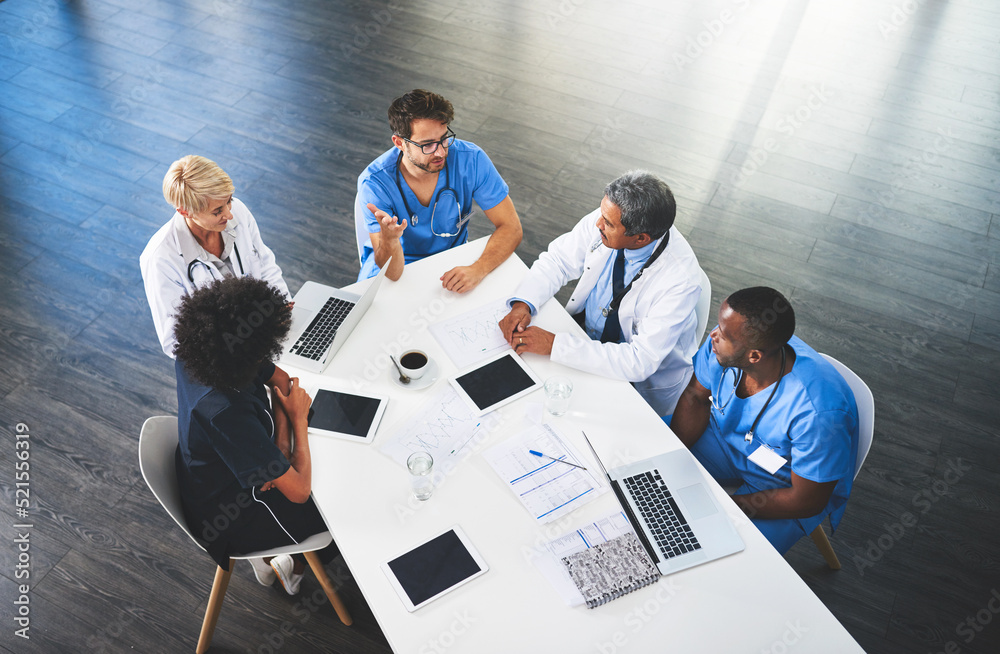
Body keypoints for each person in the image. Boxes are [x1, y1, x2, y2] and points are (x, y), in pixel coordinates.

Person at [172, 276, 334, 594]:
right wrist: (295, 421)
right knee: (339, 512)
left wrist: (279, 448)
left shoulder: (203, 351)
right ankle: (292, 565)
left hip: (219, 470)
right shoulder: (223, 410)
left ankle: (284, 552)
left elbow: (281, 380)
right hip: (232, 516)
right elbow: (299, 491)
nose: (267, 357)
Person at [670, 287, 859, 554]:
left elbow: (805, 500)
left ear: (754, 356)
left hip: (784, 485)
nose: (712, 335)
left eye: (722, 335)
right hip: (723, 438)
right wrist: (668, 458)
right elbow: (696, 397)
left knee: (718, 555)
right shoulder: (726, 342)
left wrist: (727, 507)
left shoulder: (819, 413)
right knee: (644, 463)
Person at [498, 171, 703, 417]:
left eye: (608, 223)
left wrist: (555, 344)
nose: (598, 224)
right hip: (584, 338)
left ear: (640, 238)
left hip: (636, 379)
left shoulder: (680, 280)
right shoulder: (609, 215)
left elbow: (640, 361)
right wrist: (524, 303)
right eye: (601, 214)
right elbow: (559, 261)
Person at [354, 89, 522, 292]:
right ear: (400, 143)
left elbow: (511, 227)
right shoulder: (375, 184)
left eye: (443, 138)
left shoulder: (471, 159)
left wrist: (479, 269)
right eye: (427, 145)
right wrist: (389, 240)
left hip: (450, 262)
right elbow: (393, 273)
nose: (441, 152)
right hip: (399, 267)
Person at [140, 155, 289, 357]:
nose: (229, 214)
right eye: (217, 211)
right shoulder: (160, 259)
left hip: (272, 331)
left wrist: (283, 309)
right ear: (185, 212)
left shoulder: (237, 211)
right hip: (229, 359)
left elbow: (265, 263)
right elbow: (175, 342)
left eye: (229, 201)